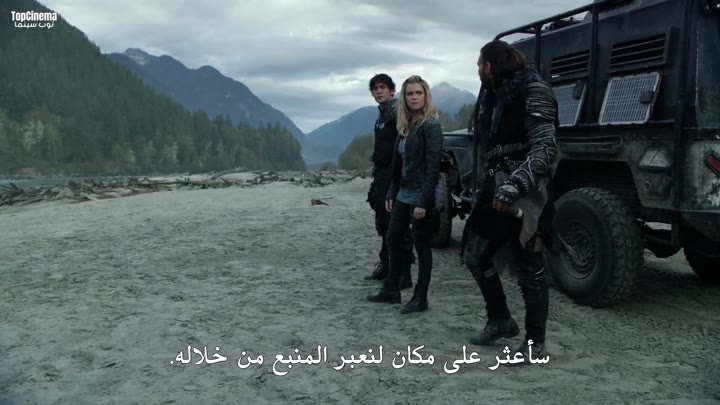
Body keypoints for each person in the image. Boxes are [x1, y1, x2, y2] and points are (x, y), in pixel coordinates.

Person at [461, 40, 559, 359]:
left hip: (528, 194)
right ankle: (500, 319)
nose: (478, 71)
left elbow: (544, 147)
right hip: (493, 188)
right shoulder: (492, 97)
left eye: (479, 65)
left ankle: (535, 344)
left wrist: (516, 184)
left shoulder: (533, 89)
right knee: (476, 255)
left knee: (529, 267)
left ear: (489, 66)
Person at [367, 75, 443, 314]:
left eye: (418, 93)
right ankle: (391, 289)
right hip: (403, 192)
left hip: (421, 194)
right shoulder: (405, 125)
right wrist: (392, 192)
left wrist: (423, 202)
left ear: (426, 95)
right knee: (392, 237)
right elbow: (398, 164)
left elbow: (433, 168)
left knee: (421, 245)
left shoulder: (431, 126)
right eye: (410, 94)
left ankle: (420, 297)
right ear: (404, 97)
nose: (414, 97)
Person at [364, 73, 414, 290]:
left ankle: (404, 273)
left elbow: (406, 142)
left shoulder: (396, 111)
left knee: (396, 224)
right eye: (375, 88)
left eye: (382, 87)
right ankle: (386, 265)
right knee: (383, 223)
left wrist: (400, 176)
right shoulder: (382, 115)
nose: (378, 91)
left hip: (394, 176)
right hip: (381, 176)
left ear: (392, 91)